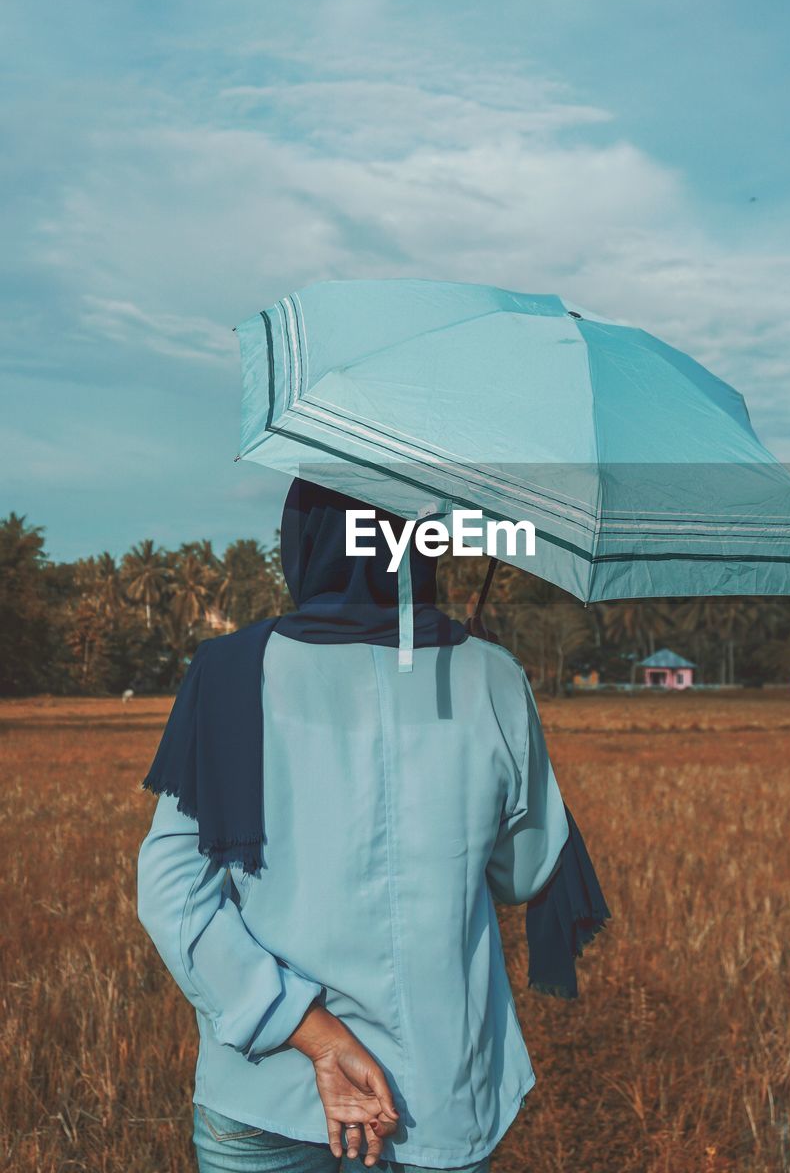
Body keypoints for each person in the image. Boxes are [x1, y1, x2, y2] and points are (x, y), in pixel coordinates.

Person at [137, 479, 607, 1172]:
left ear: (305, 541)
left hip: (269, 1090)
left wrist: (314, 1032)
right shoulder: (491, 678)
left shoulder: (232, 670)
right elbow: (524, 873)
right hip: (438, 1097)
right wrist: (493, 686)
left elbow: (174, 892)